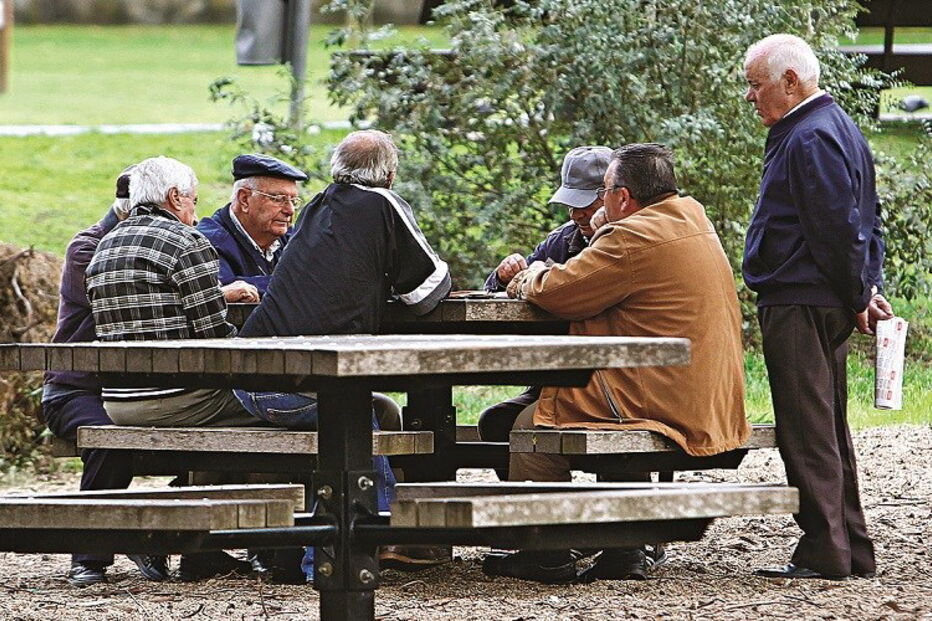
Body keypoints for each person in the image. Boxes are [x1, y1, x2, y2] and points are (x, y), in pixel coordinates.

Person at [487, 143, 749, 583]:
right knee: (577, 406)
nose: (597, 204)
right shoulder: (689, 217)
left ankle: (548, 554)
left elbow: (556, 290)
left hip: (659, 395)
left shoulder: (631, 237)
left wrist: (527, 276)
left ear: (623, 197)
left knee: (531, 427)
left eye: (605, 192)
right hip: (700, 394)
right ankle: (622, 547)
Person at [236, 129, 452, 578]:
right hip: (299, 387)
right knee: (355, 421)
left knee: (358, 412)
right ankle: (351, 555)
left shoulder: (315, 206)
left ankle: (322, 552)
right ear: (389, 175)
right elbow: (428, 291)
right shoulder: (383, 204)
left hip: (250, 379)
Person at [742, 34, 892, 580]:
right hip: (823, 296)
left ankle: (825, 552)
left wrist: (859, 294)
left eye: (756, 86)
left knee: (807, 431)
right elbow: (868, 223)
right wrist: (864, 290)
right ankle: (851, 549)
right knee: (828, 428)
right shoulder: (839, 128)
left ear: (790, 81)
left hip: (801, 299)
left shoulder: (808, 137)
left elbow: (838, 229)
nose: (750, 98)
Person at [85, 156, 261, 581]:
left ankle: (199, 548)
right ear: (174, 197)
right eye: (193, 201)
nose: (196, 213)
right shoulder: (188, 242)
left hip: (119, 404)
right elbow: (215, 341)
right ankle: (286, 549)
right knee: (298, 409)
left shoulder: (105, 245)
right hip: (180, 400)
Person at [41, 166, 170, 587]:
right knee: (109, 437)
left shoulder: (158, 244)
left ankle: (175, 538)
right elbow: (126, 300)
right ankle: (90, 556)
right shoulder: (88, 249)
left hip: (133, 388)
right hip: (76, 389)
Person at [478, 146, 612, 445]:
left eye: (585, 203)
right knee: (496, 422)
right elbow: (496, 293)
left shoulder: (629, 240)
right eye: (570, 203)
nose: (577, 213)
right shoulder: (561, 239)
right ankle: (527, 491)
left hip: (611, 382)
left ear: (612, 195)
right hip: (552, 381)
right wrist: (502, 276)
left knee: (525, 425)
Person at [197, 154, 308, 296]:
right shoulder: (207, 243)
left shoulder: (288, 237)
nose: (290, 210)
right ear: (244, 199)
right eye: (279, 199)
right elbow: (221, 291)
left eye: (294, 201)